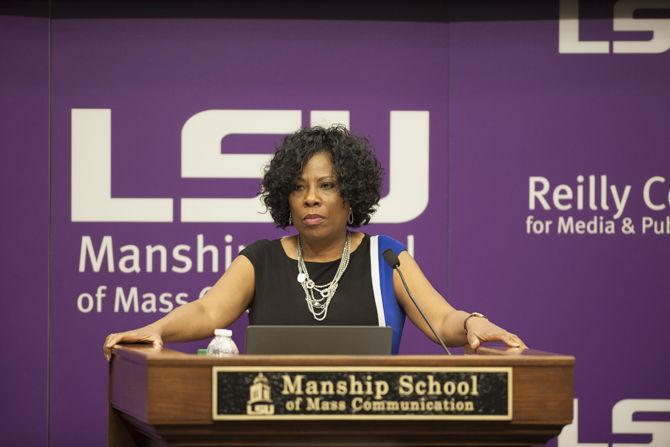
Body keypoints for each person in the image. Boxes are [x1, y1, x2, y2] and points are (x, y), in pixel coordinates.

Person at [103, 126, 527, 360]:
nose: (311, 197)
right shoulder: (261, 260)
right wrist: (155, 328)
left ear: (351, 194)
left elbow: (443, 321)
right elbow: (207, 310)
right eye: (299, 187)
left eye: (326, 185)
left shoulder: (386, 256)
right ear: (284, 196)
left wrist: (472, 323)